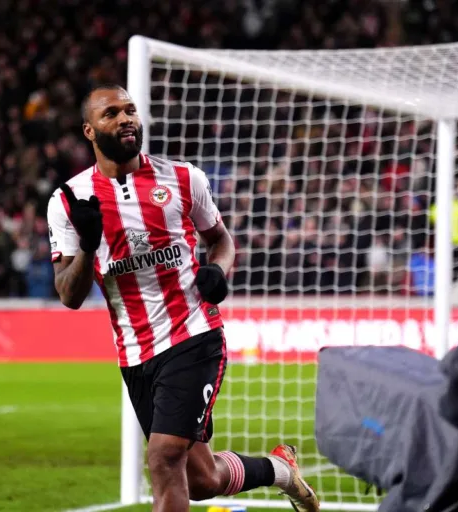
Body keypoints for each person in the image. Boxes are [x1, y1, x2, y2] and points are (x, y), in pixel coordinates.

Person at [46, 84, 320, 512]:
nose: (125, 119)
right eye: (111, 113)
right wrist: (87, 245)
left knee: (163, 457)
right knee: (202, 480)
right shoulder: (68, 201)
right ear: (89, 130)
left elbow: (221, 240)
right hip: (135, 353)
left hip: (193, 333)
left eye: (130, 110)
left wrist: (218, 270)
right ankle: (279, 470)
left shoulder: (182, 178)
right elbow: (69, 294)